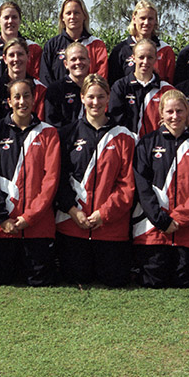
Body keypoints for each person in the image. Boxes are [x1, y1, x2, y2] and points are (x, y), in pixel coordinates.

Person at [55, 74, 136, 286]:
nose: (95, 102)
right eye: (91, 96)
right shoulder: (66, 134)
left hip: (110, 229)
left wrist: (104, 213)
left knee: (114, 282)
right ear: (82, 97)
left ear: (108, 98)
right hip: (72, 224)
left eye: (101, 97)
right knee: (74, 278)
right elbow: (59, 179)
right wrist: (73, 211)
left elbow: (126, 184)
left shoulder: (124, 136)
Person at [0, 79, 60, 286]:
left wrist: (29, 217)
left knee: (38, 282)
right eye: (17, 96)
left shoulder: (48, 133)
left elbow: (50, 181)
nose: (22, 101)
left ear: (34, 99)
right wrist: (2, 218)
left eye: (26, 96)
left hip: (37, 227)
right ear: (9, 101)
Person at [132, 90, 189, 287]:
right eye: (169, 111)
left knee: (186, 282)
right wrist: (160, 219)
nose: (175, 116)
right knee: (154, 283)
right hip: (154, 231)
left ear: (188, 112)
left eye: (180, 111)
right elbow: (142, 186)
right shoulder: (147, 143)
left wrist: (178, 218)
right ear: (161, 113)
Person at [108, 39, 173, 137]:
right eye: (141, 57)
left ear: (156, 59)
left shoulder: (166, 90)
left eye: (150, 57)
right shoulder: (120, 87)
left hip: (157, 147)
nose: (145, 62)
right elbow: (115, 121)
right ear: (133, 58)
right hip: (128, 145)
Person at [40, 0, 108, 85]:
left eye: (76, 13)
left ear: (84, 16)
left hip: (88, 97)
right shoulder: (52, 45)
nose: (72, 17)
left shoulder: (96, 45)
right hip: (57, 97)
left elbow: (101, 77)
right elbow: (45, 77)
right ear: (62, 17)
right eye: (68, 13)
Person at [107, 0, 175, 84]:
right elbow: (112, 84)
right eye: (142, 18)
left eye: (150, 19)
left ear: (155, 21)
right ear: (134, 19)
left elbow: (171, 85)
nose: (146, 23)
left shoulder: (165, 50)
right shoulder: (120, 50)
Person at [0, 1, 41, 84]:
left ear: (20, 20)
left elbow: (38, 80)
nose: (10, 21)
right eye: (6, 17)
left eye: (14, 17)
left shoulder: (32, 48)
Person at [0, 38, 46, 126]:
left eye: (20, 54)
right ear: (5, 59)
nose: (16, 59)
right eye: (11, 55)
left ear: (28, 57)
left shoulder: (39, 89)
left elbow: (41, 124)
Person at [44, 42, 90, 128]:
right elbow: (52, 123)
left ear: (89, 61)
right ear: (66, 64)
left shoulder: (95, 87)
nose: (78, 62)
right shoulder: (56, 89)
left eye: (82, 58)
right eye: (73, 59)